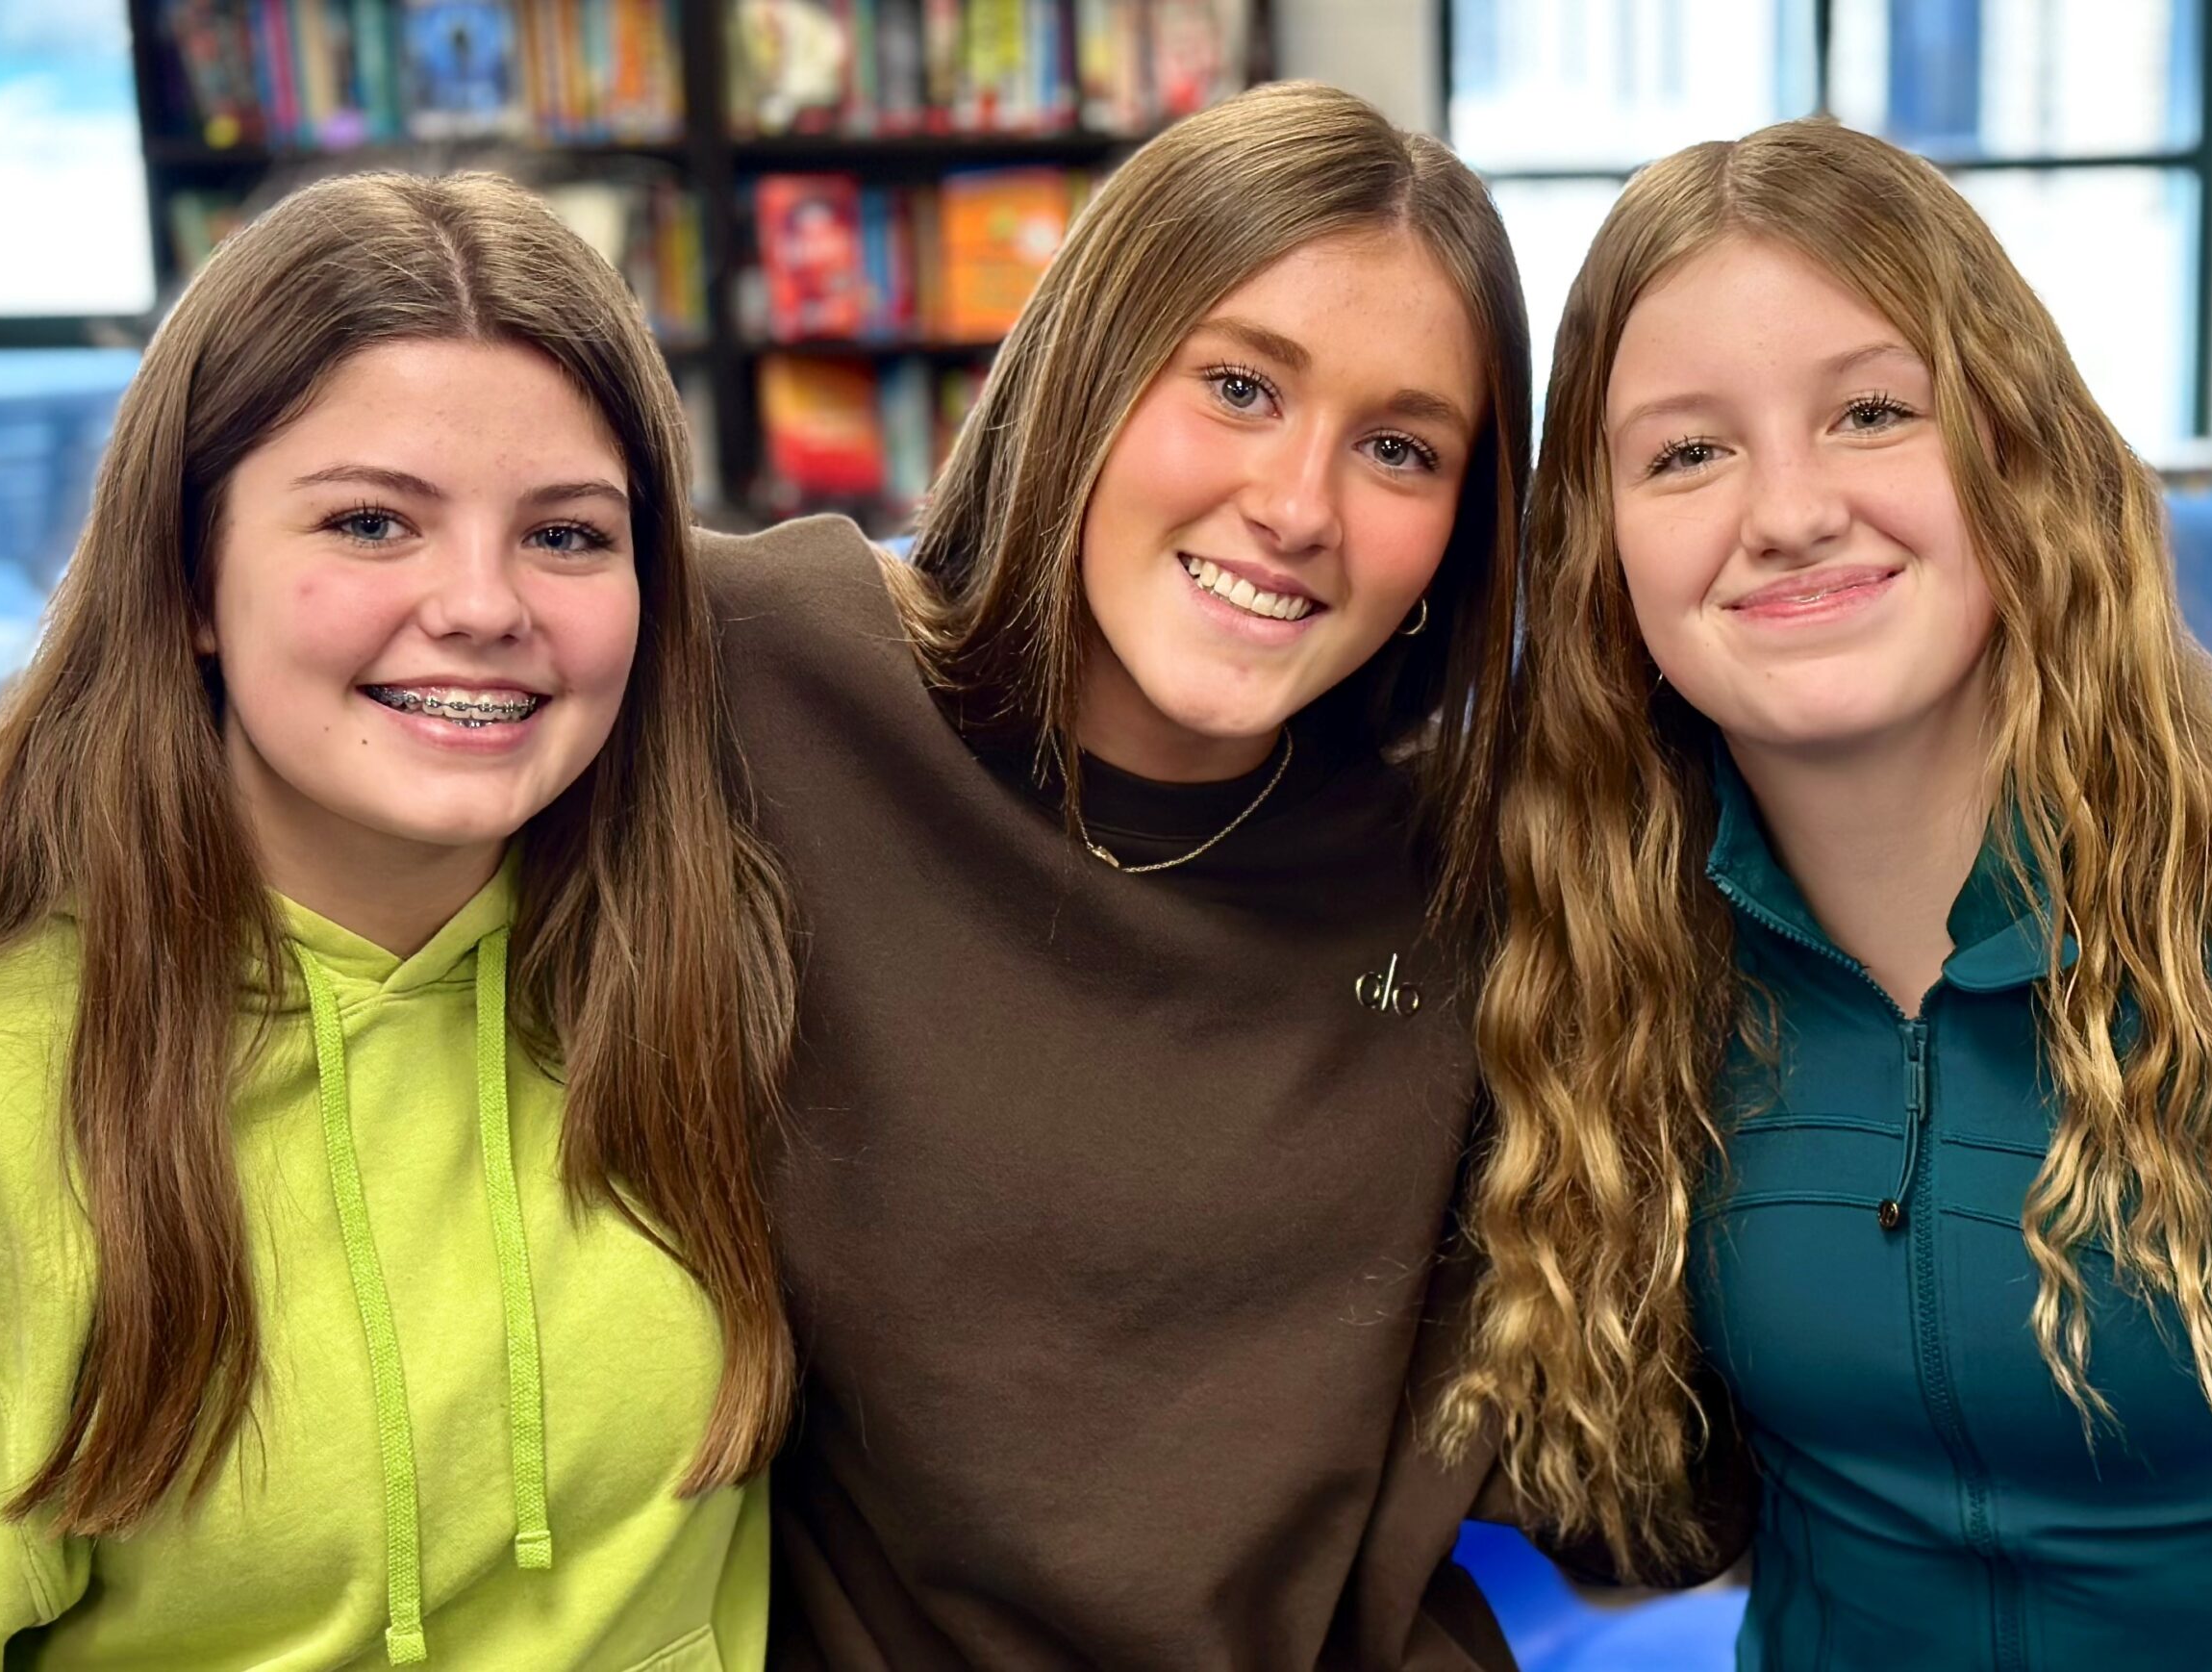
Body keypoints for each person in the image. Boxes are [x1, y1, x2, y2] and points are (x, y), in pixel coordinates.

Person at [698, 80, 1743, 1667]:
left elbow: (1626, 1485)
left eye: (1400, 446)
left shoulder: (1482, 874)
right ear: (1088, 373)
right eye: (1241, 387)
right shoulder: (765, 674)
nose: (1296, 507)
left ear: (1461, 534)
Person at [1446, 115, 2212, 1669]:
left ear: (2016, 449)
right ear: (1597, 552)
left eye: (1874, 411)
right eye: (1688, 451)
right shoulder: (1602, 950)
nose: (1791, 509)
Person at [0, 171, 796, 1666]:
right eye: (372, 521)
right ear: (191, 575)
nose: (481, 603)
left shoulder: (723, 955)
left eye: (571, 536)